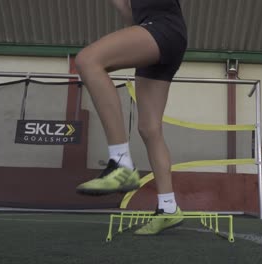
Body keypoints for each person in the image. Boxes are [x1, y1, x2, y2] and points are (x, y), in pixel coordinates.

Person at [74, 0, 187, 235]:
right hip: (160, 35)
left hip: (164, 29)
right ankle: (168, 208)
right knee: (149, 128)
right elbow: (132, 21)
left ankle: (121, 164)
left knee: (88, 60)